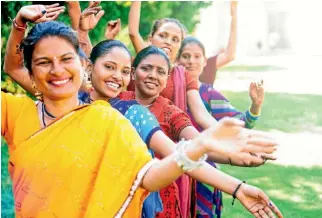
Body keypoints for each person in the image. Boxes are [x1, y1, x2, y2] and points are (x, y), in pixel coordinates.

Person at [3, 4, 283, 218]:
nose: (58, 69)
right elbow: (20, 68)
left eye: (124, 70)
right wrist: (22, 25)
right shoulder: (40, 105)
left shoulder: (122, 114)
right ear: (88, 67)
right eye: (109, 67)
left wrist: (230, 175)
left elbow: (163, 162)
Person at [119, 46, 281, 218]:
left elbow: (198, 145)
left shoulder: (171, 113)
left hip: (158, 199)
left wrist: (236, 158)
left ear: (167, 79)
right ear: (133, 72)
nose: (153, 75)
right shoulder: (116, 103)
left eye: (160, 71)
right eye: (146, 68)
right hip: (115, 190)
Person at [177, 36, 265, 218]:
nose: (191, 61)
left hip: (205, 172)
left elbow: (239, 124)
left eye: (196, 56)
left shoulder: (208, 94)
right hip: (172, 169)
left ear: (204, 62)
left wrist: (255, 106)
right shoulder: (169, 90)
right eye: (185, 56)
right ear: (177, 60)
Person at [128, 1, 218, 130]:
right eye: (162, 36)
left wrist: (231, 137)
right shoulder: (138, 64)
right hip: (133, 133)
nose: (168, 42)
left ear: (180, 47)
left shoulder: (183, 76)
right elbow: (133, 33)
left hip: (169, 139)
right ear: (150, 39)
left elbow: (202, 115)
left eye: (175, 39)